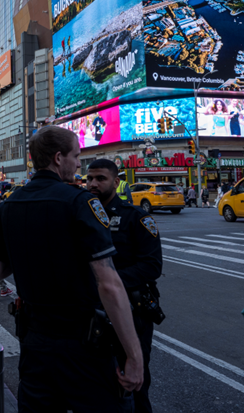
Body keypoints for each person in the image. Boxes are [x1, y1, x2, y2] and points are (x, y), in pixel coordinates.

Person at [0, 125, 144, 411]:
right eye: (75, 155)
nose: (78, 163)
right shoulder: (80, 202)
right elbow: (108, 283)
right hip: (82, 345)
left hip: (34, 342)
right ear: (58, 158)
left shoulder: (9, 205)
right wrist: (134, 355)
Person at [87, 159, 163, 413]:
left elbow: (152, 266)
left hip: (132, 311)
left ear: (116, 182)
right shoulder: (83, 216)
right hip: (93, 312)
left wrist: (107, 279)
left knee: (134, 383)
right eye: (90, 179)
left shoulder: (136, 218)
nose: (93, 184)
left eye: (101, 179)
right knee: (96, 382)